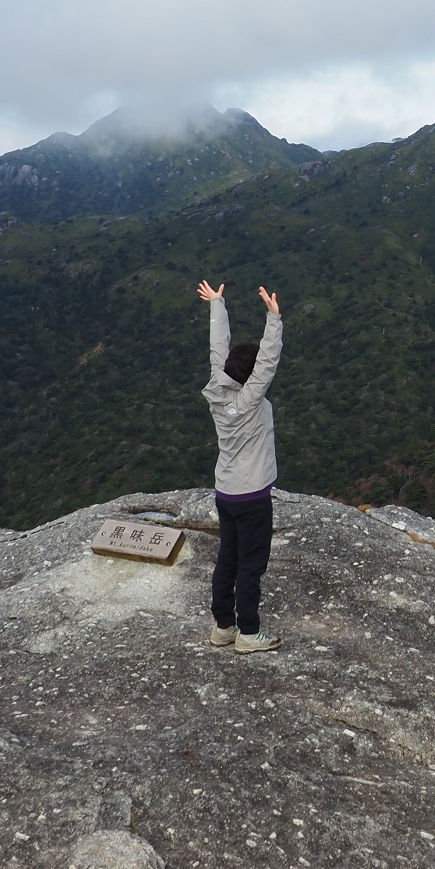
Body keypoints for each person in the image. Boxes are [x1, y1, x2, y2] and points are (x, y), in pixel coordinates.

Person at [196, 279, 284, 654]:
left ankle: (222, 627)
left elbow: (218, 352)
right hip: (253, 496)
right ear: (249, 379)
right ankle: (248, 633)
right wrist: (274, 320)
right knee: (251, 564)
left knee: (228, 559)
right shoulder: (250, 397)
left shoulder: (218, 387)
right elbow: (267, 362)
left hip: (226, 492)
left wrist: (218, 305)